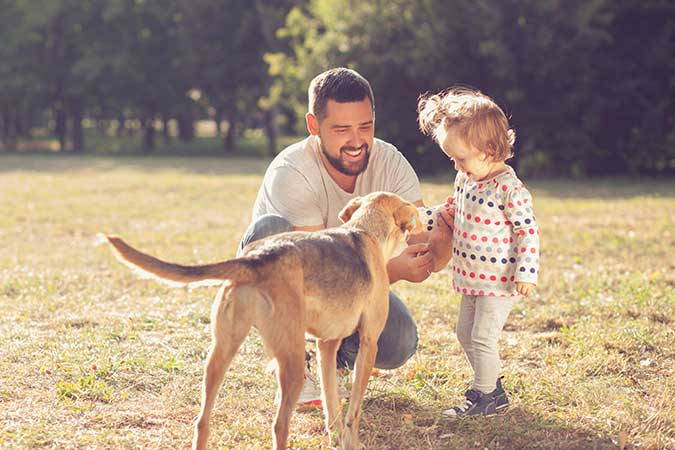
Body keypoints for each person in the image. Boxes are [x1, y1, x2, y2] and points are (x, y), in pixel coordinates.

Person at [239, 67, 453, 406]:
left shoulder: (390, 162)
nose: (356, 141)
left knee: (399, 341)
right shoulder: (292, 172)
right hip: (291, 280)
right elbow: (315, 274)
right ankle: (294, 360)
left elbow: (420, 240)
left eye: (365, 126)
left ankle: (334, 356)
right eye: (341, 129)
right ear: (314, 126)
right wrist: (394, 270)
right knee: (270, 230)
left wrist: (443, 240)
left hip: (352, 283)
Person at [417, 87, 540, 417]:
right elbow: (452, 213)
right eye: (452, 159)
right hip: (471, 277)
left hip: (500, 281)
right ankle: (492, 386)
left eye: (461, 158)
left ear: (489, 149)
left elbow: (527, 231)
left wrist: (526, 272)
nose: (456, 165)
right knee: (464, 333)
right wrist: (419, 219)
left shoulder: (508, 188)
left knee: (483, 336)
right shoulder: (466, 179)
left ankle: (485, 396)